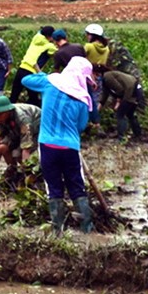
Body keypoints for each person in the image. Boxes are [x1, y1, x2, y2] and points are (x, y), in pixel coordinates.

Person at [22, 56, 96, 234]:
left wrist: (47, 77)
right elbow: (80, 126)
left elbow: (25, 80)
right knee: (77, 187)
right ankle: (87, 230)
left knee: (53, 188)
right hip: (70, 147)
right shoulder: (83, 99)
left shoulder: (49, 82)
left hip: (48, 146)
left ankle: (58, 231)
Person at [0, 95, 40, 176]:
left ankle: (27, 172)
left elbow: (26, 147)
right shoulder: (0, 119)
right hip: (15, 129)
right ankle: (13, 170)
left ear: (8, 111)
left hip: (36, 127)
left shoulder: (23, 119)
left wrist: (25, 171)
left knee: (17, 154)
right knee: (3, 147)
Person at [9, 26, 57, 107]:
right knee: (34, 99)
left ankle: (6, 114)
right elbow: (57, 53)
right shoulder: (50, 46)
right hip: (31, 72)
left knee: (14, 96)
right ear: (50, 36)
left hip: (21, 68)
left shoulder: (35, 38)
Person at [98, 67, 145, 143]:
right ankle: (138, 134)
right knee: (130, 114)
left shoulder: (107, 76)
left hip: (131, 91)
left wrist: (118, 102)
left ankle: (121, 137)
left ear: (97, 73)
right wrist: (98, 108)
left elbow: (120, 90)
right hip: (135, 89)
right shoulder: (106, 79)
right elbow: (104, 95)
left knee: (120, 114)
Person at [83, 23, 110, 127]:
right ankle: (96, 121)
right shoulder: (106, 49)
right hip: (99, 76)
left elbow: (81, 59)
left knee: (86, 99)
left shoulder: (88, 47)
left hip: (88, 76)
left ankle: (89, 122)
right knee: (96, 99)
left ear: (92, 35)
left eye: (88, 34)